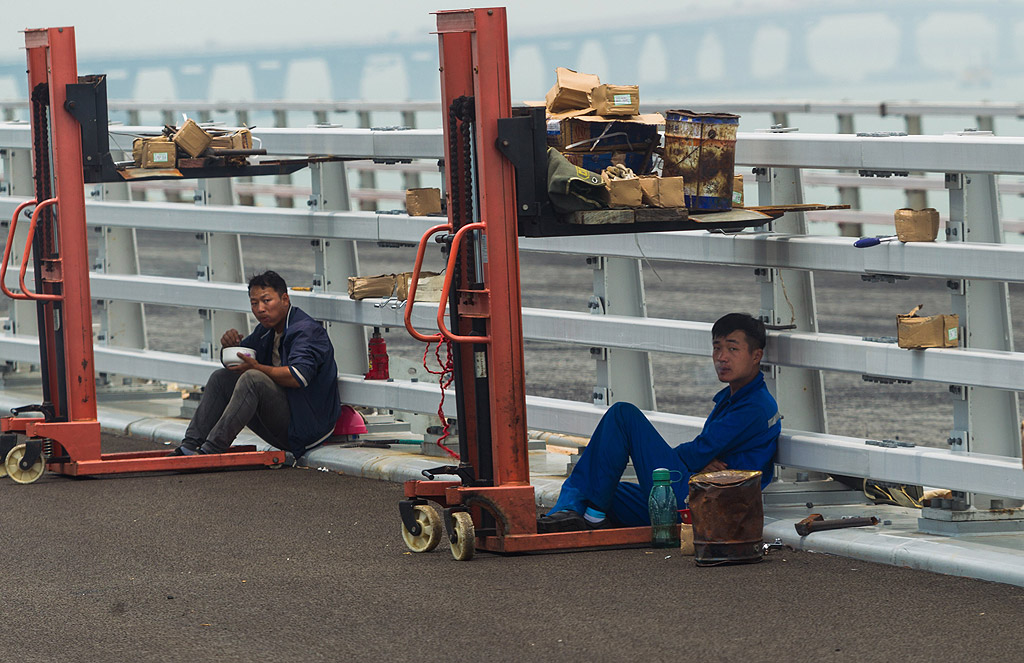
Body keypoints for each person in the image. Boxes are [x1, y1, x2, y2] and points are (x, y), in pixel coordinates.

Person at [537, 312, 781, 532]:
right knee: (596, 484)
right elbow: (701, 455)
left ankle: (585, 517)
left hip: (706, 504)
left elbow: (697, 453)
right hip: (698, 493)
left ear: (756, 356)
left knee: (623, 414)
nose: (722, 357)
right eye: (717, 348)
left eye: (732, 349)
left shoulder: (754, 406)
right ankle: (575, 516)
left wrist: (690, 460)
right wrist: (699, 464)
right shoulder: (734, 398)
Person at [171, 270, 342, 458]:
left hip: (308, 428)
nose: (260, 309)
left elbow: (297, 376)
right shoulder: (266, 330)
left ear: (285, 299)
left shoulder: (306, 331)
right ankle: (189, 446)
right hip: (283, 424)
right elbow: (240, 361)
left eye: (266, 301)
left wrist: (256, 368)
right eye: (254, 303)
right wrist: (230, 348)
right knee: (221, 378)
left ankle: (211, 450)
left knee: (253, 378)